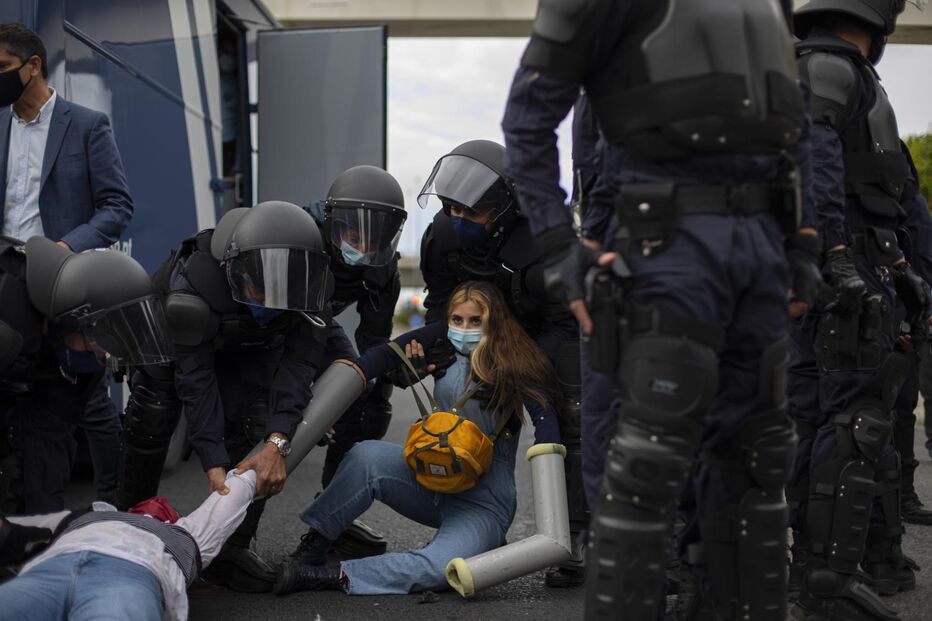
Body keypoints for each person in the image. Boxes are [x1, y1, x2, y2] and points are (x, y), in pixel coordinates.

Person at [502, 2, 823, 620]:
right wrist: (559, 244)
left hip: (758, 247)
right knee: (645, 468)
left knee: (756, 471)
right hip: (664, 246)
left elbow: (796, 119)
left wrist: (804, 238)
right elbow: (528, 117)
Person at [273, 280, 562, 595]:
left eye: (475, 321)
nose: (464, 329)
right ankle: (315, 545)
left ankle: (332, 576)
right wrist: (308, 418)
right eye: (457, 319)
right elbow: (379, 358)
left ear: (493, 322)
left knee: (440, 569)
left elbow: (545, 420)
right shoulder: (442, 340)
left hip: (482, 504)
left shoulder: (515, 361)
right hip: (430, 481)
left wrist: (554, 522)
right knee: (365, 457)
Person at [787, 2, 932, 619]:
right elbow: (815, 160)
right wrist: (836, 253)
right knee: (853, 423)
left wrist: (900, 266)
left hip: (855, 264)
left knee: (834, 420)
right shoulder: (828, 67)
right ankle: (828, 582)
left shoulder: (841, 72)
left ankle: (847, 567)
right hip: (842, 272)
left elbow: (882, 192)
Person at [115, 200, 333, 592]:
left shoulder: (312, 289)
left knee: (258, 421)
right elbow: (196, 379)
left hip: (248, 341)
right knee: (153, 413)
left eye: (282, 290)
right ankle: (127, 526)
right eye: (261, 288)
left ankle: (231, 551)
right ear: (236, 271)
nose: (272, 299)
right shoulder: (195, 286)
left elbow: (298, 369)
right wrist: (212, 459)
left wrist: (277, 440)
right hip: (177, 336)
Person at [416, 139, 586, 587]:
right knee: (456, 390)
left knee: (573, 414)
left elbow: (564, 323)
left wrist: (514, 366)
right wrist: (438, 347)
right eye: (453, 209)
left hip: (548, 332)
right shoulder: (441, 236)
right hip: (483, 333)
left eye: (472, 212)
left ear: (505, 209)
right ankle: (471, 512)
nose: (459, 219)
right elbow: (439, 303)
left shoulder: (545, 242)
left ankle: (575, 533)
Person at [0, 22, 135, 507]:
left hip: (58, 281)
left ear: (32, 66)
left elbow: (116, 206)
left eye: (2, 67)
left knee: (55, 415)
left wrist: (64, 249)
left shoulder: (86, 125)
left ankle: (59, 517)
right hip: (4, 282)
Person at [0, 236, 173, 513]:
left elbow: (49, 438)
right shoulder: (9, 315)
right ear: (73, 320)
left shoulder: (80, 355)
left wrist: (46, 526)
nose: (103, 355)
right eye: (98, 343)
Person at [305, 166, 406, 558]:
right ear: (333, 225)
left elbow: (374, 344)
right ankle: (232, 539)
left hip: (319, 327)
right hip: (269, 333)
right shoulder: (302, 239)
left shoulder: (382, 268)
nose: (363, 247)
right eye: (353, 236)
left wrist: (398, 371)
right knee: (261, 413)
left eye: (373, 239)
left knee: (366, 390)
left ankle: (333, 513)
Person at [0, 469, 257, 621]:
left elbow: (237, 488)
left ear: (172, 519)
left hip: (128, 575)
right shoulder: (88, 514)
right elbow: (12, 526)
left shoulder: (188, 532)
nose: (157, 503)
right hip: (52, 568)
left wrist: (273, 446)